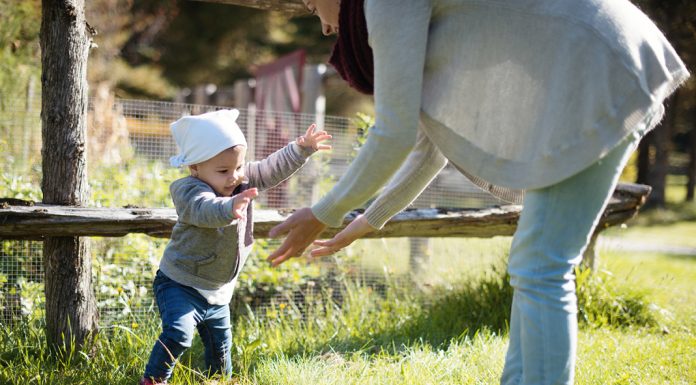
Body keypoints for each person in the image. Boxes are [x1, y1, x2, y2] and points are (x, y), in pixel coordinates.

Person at [267, 1, 689, 384]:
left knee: (541, 265)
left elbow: (391, 135)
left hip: (595, 61)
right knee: (536, 263)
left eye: (308, 2)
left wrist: (323, 212)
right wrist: (365, 220)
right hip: (602, 56)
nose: (321, 26)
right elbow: (427, 147)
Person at [139, 109, 331, 385]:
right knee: (179, 334)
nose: (235, 177)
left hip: (218, 291)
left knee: (221, 349)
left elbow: (269, 168)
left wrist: (300, 149)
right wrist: (230, 207)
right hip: (180, 283)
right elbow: (205, 209)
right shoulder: (188, 190)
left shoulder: (240, 180)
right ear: (195, 168)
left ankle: (219, 381)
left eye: (239, 167)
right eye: (223, 171)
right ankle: (154, 380)